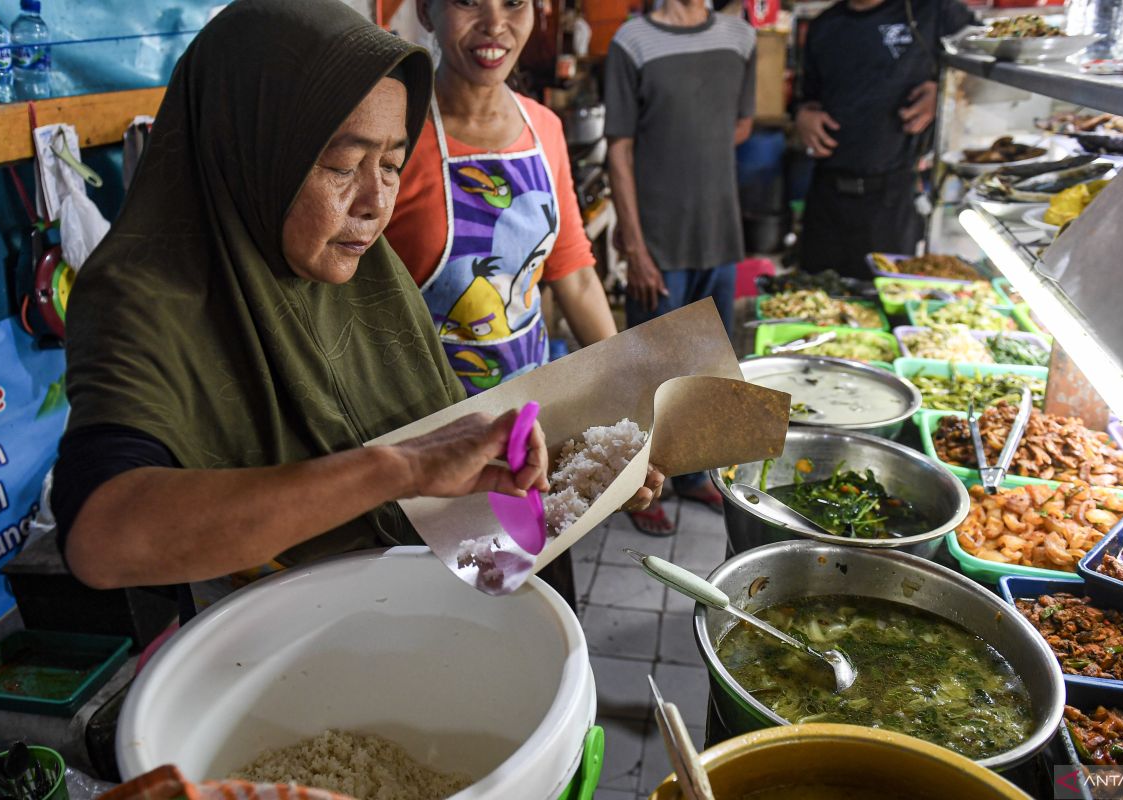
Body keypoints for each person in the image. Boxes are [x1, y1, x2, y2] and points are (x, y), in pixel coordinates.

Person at [50, 0, 660, 611]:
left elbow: (454, 462)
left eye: (392, 164)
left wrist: (585, 476)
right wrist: (396, 469)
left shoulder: (367, 273)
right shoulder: (142, 299)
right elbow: (103, 539)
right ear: (251, 148)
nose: (375, 203)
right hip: (274, 645)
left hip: (415, 605)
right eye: (343, 165)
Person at [385, 0, 617, 398]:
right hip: (422, 416)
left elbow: (574, 275)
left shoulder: (545, 128)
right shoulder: (393, 137)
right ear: (426, 12)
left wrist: (625, 377)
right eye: (469, 3)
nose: (495, 24)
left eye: (513, 3)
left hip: (532, 404)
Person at [604, 0, 755, 535]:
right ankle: (634, 488)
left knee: (707, 368)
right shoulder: (632, 41)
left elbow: (740, 124)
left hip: (719, 231)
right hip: (658, 241)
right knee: (650, 372)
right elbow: (618, 150)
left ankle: (689, 476)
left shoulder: (740, 38)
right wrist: (636, 247)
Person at [797, 0, 976, 278]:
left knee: (887, 299)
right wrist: (802, 114)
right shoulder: (823, 26)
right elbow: (808, 97)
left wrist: (946, 92)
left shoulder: (933, 12)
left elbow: (989, 67)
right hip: (826, 194)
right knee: (815, 300)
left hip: (893, 197)